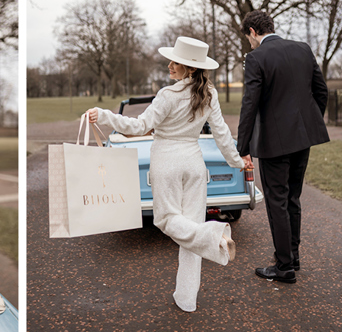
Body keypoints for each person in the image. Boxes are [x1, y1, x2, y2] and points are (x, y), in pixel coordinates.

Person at [87, 37, 243, 312]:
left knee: (167, 220)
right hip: (195, 165)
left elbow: (137, 126)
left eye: (176, 62)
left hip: (167, 163)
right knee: (189, 231)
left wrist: (103, 115)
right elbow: (221, 134)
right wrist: (237, 162)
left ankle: (214, 237)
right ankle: (186, 299)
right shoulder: (210, 94)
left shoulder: (167, 96)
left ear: (190, 68)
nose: (170, 65)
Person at [237, 10, 329, 284]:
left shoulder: (256, 58)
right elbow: (320, 91)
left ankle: (284, 266)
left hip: (274, 143)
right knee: (293, 198)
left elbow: (249, 105)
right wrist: (307, 123)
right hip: (303, 138)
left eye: (248, 38)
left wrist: (243, 147)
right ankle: (293, 256)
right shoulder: (303, 49)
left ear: (253, 32)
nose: (250, 44)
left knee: (277, 200)